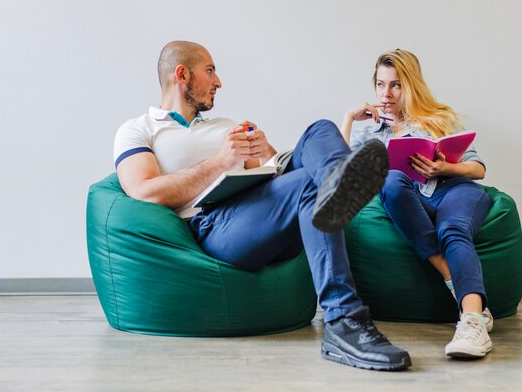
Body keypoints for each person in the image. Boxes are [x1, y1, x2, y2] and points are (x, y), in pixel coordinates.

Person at [113, 40, 412, 371]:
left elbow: (269, 174)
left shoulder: (226, 126)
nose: (219, 82)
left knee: (320, 130)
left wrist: (268, 153)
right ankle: (344, 321)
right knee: (308, 188)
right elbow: (144, 190)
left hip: (265, 212)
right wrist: (221, 161)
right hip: (215, 227)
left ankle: (336, 183)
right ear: (182, 75)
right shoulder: (139, 129)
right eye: (210, 71)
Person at [341, 49, 493, 359]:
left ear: (411, 85)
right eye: (381, 85)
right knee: (391, 180)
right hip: (410, 199)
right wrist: (347, 119)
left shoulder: (439, 118)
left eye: (396, 85)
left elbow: (478, 169)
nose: (387, 94)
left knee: (452, 229)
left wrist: (444, 168)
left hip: (454, 190)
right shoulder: (369, 132)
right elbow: (338, 175)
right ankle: (451, 274)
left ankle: (473, 322)